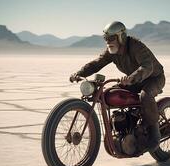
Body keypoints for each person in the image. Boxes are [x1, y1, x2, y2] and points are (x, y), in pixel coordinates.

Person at [70, 21, 165, 152]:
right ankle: (123, 125)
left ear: (122, 37)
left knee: (145, 95)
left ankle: (154, 135)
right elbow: (96, 63)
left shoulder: (136, 46)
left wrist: (131, 78)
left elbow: (147, 67)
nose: (108, 42)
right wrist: (79, 73)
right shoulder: (111, 52)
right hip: (133, 81)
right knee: (110, 92)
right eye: (106, 39)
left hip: (154, 78)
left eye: (111, 38)